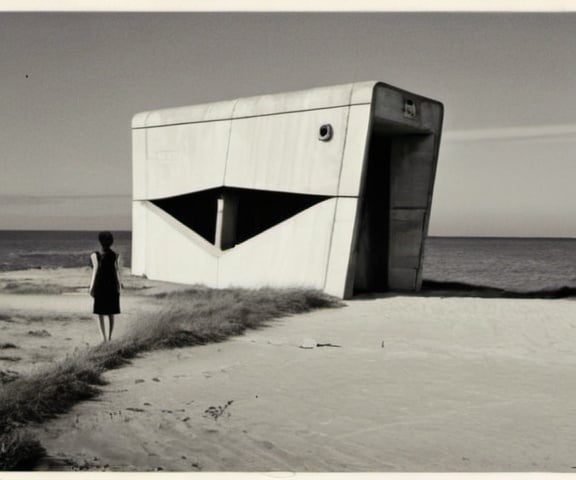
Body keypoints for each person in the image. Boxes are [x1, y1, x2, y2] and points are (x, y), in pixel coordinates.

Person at [89, 231, 122, 342]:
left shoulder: (95, 255)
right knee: (110, 313)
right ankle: (109, 337)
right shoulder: (116, 255)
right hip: (112, 285)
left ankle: (104, 338)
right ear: (111, 242)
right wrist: (119, 285)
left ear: (100, 242)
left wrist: (91, 287)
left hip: (100, 285)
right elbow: (117, 271)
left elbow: (95, 270)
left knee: (100, 313)